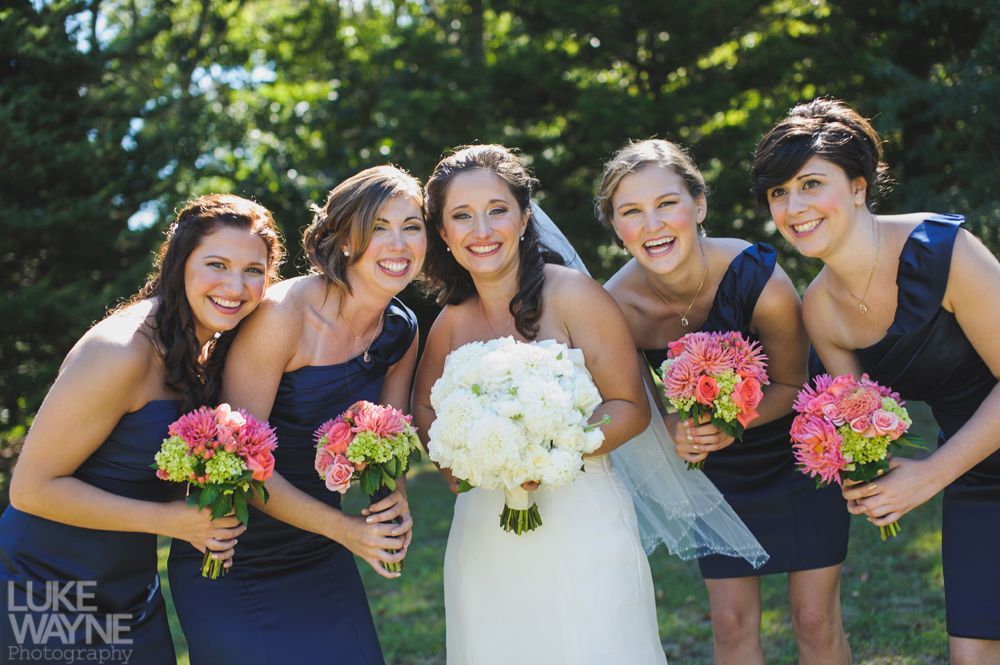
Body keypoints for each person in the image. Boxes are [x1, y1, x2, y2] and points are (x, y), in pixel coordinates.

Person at [751, 97, 1000, 664]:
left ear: (859, 186)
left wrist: (930, 475)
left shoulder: (944, 251)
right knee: (974, 652)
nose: (794, 207)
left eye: (812, 184)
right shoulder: (821, 310)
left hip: (956, 460)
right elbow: (863, 423)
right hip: (977, 471)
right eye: (779, 193)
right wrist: (863, 476)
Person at [411, 144, 668, 665]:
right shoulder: (451, 321)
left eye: (497, 210)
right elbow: (423, 409)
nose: (481, 230)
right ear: (443, 233)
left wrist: (545, 451)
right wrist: (465, 464)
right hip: (484, 530)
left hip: (582, 518)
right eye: (462, 216)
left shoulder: (574, 295)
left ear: (524, 217)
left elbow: (631, 406)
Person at [0, 194, 283, 664]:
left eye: (254, 270)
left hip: (128, 592)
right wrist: (171, 521)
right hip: (40, 589)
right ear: (179, 262)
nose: (235, 286)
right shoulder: (119, 350)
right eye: (217, 263)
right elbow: (29, 490)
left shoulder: (211, 350)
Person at [600, 139, 851, 665]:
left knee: (813, 619)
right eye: (631, 212)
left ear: (699, 206)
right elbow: (642, 405)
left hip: (797, 452)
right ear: (617, 227)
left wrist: (735, 419)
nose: (653, 225)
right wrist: (677, 429)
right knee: (732, 626)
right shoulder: (614, 308)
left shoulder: (760, 279)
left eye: (667, 203)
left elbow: (793, 385)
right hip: (718, 473)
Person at [168, 166, 423, 664]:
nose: (398, 244)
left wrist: (396, 506)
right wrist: (349, 532)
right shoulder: (282, 315)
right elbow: (241, 464)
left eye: (411, 227)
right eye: (378, 228)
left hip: (320, 551)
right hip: (233, 548)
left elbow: (388, 444)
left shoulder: (401, 329)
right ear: (346, 239)